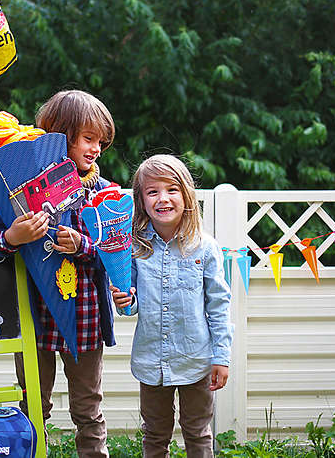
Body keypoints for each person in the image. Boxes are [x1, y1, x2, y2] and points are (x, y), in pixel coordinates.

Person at [0, 90, 117, 458]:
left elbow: (115, 254)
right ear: (60, 134)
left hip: (84, 319)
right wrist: (13, 236)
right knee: (33, 411)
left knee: (88, 411)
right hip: (35, 319)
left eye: (101, 142)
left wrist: (83, 246)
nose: (96, 149)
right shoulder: (20, 188)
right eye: (89, 139)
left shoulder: (104, 194)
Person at [111, 154, 233, 458]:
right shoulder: (135, 246)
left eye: (172, 189)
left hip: (197, 361)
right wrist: (125, 302)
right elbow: (131, 305)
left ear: (187, 195)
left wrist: (222, 356)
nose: (162, 198)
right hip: (151, 363)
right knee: (154, 435)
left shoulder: (205, 247)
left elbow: (218, 305)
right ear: (141, 200)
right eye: (152, 191)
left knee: (198, 433)